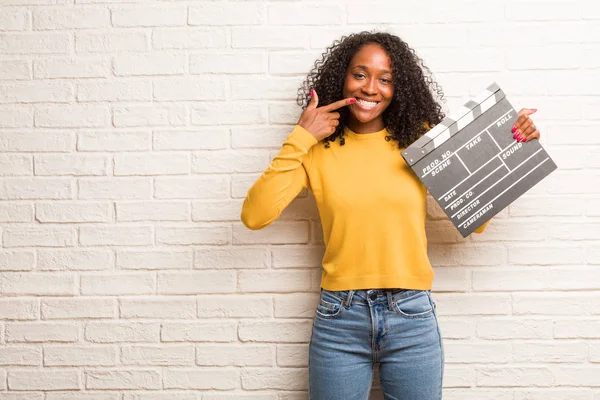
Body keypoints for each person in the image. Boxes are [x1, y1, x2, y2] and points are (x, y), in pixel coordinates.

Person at [240, 31, 540, 400]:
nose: (370, 88)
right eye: (360, 74)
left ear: (400, 89)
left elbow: (476, 219)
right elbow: (255, 215)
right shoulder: (316, 150)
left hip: (411, 315)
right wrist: (301, 136)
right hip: (339, 319)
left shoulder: (421, 141)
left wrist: (510, 143)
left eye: (386, 79)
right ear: (342, 78)